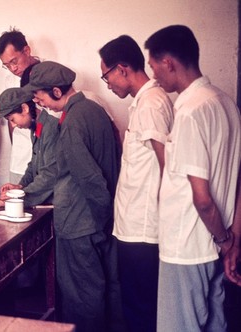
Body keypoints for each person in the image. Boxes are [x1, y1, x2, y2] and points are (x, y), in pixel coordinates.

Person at [145, 25, 241, 332]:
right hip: (214, 244)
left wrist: (225, 240)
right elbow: (237, 182)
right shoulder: (226, 104)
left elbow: (201, 198)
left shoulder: (190, 111)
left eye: (153, 66)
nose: (154, 76)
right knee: (215, 324)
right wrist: (232, 241)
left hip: (186, 247)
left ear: (168, 62)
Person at [24, 61, 124, 332]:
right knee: (109, 287)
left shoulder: (72, 122)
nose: (39, 103)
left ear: (57, 91)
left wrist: (100, 217)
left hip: (80, 223)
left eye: (41, 96)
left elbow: (89, 177)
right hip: (98, 219)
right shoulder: (94, 110)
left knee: (82, 295)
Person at [99, 35, 174, 332]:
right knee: (136, 304)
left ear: (123, 68)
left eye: (107, 76)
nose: (107, 84)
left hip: (144, 229)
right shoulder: (145, 102)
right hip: (134, 226)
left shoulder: (152, 104)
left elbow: (168, 166)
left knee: (141, 308)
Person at [0, 87, 58, 207]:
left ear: (25, 108)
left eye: (12, 119)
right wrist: (20, 186)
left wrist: (21, 195)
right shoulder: (36, 128)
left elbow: (50, 174)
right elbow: (34, 163)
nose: (13, 125)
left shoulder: (51, 129)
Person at [0, 28, 41, 184]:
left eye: (14, 61)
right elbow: (10, 120)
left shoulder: (48, 73)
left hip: (46, 157)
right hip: (20, 158)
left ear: (26, 51)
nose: (13, 69)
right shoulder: (10, 80)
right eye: (7, 65)